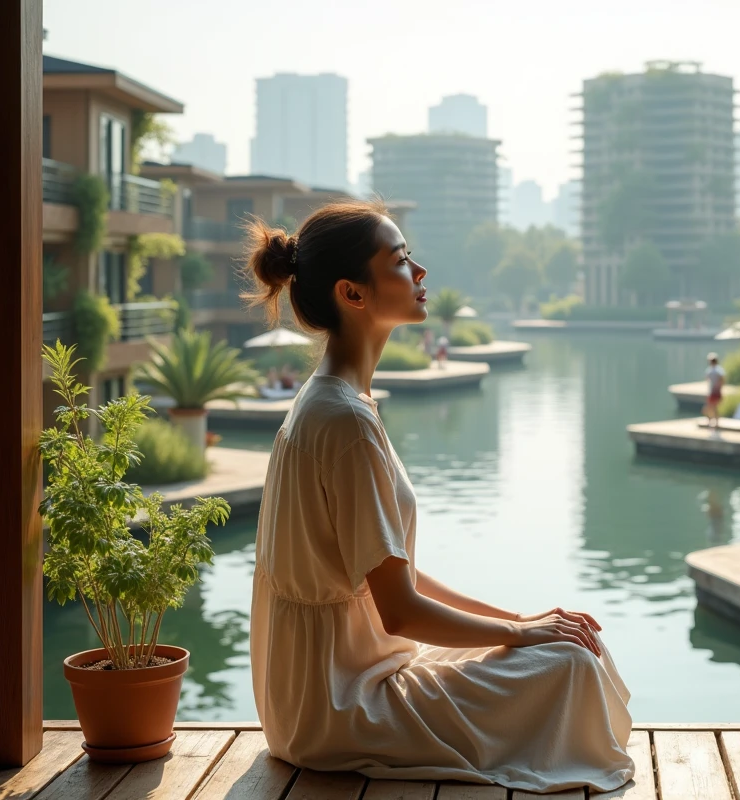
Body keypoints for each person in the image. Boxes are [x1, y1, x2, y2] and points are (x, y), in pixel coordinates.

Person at [244, 200, 633, 793]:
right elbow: (399, 611)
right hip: (338, 706)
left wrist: (523, 619)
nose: (420, 272)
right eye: (401, 261)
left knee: (574, 639)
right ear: (353, 294)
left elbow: (399, 579)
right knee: (571, 661)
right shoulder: (344, 422)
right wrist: (523, 635)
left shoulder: (329, 402)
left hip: (322, 690)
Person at [702, 352, 725, 429]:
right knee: (711, 407)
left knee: (713, 407)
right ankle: (711, 421)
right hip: (712, 391)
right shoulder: (710, 370)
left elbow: (722, 380)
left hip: (715, 391)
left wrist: (718, 388)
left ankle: (714, 422)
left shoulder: (718, 370)